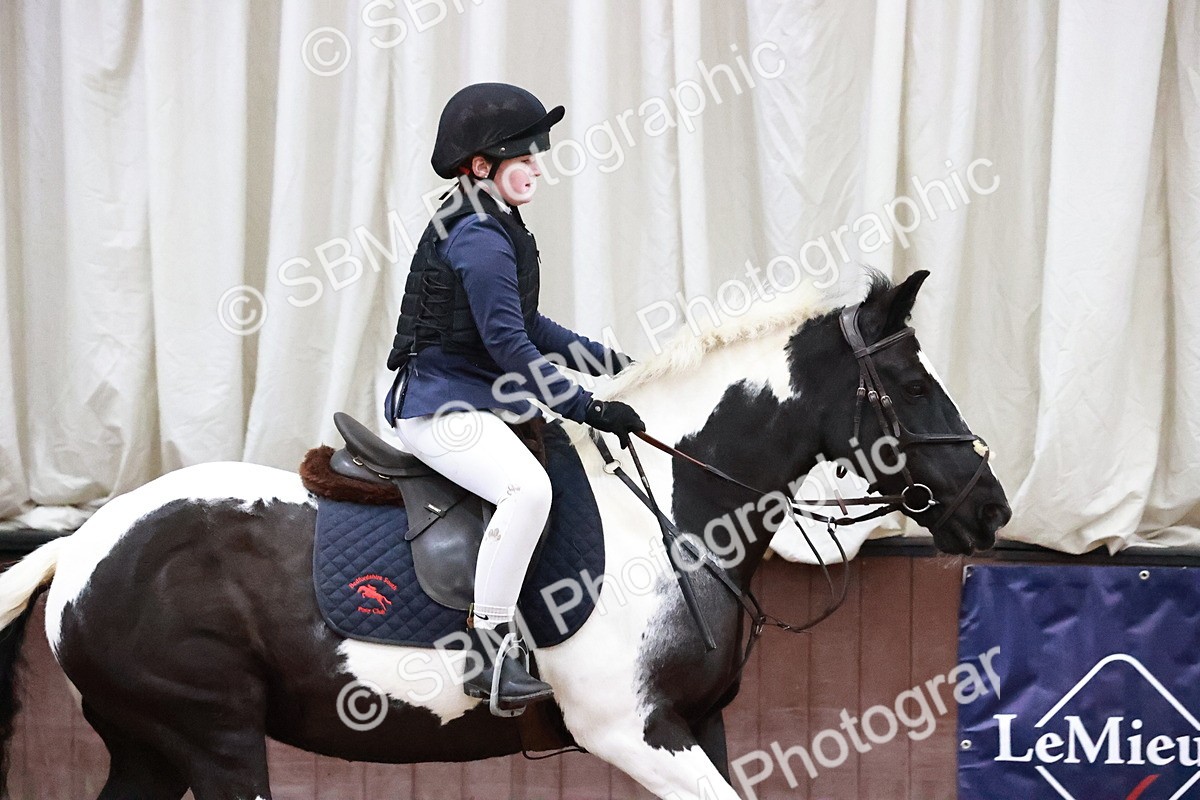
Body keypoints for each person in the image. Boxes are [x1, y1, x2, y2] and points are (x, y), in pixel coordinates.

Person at [383, 83, 645, 711]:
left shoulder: (494, 220)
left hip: (475, 398)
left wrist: (620, 368)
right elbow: (510, 348)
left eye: (535, 155)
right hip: (439, 408)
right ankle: (489, 649)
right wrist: (586, 406)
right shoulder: (478, 235)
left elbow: (531, 326)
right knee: (528, 491)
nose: (537, 168)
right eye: (524, 157)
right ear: (481, 165)